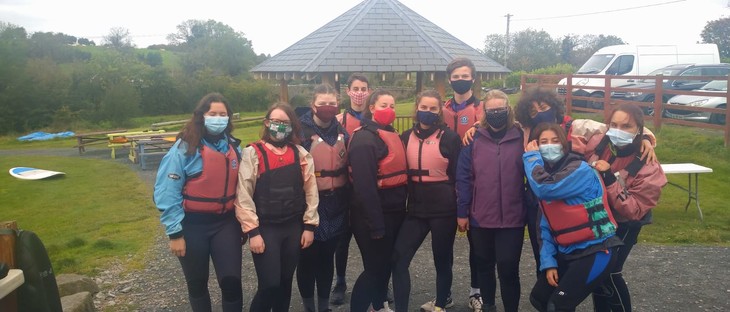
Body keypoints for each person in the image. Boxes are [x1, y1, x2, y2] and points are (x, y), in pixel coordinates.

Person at [153, 92, 243, 312]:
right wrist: (175, 233)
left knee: (231, 282)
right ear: (202, 116)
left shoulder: (234, 148)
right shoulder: (185, 148)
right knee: (197, 283)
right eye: (213, 113)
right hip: (192, 225)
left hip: (226, 224)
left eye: (223, 114)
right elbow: (167, 191)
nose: (218, 118)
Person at [524, 123, 623, 312]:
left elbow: (545, 188)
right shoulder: (548, 176)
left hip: (597, 250)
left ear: (564, 144)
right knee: (540, 299)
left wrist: (531, 158)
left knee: (559, 305)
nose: (549, 145)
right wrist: (549, 263)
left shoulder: (580, 170)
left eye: (555, 141)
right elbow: (545, 228)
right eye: (543, 142)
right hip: (569, 252)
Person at [235, 102, 320, 312]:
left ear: (292, 125)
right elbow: (243, 195)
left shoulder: (300, 154)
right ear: (267, 123)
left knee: (284, 284)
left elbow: (311, 190)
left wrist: (309, 226)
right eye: (275, 122)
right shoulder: (253, 153)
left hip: (293, 227)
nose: (280, 127)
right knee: (269, 285)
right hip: (266, 228)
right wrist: (252, 231)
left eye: (285, 122)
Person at [585, 104, 667, 312]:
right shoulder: (602, 145)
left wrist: (608, 177)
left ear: (638, 130)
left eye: (626, 126)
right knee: (597, 273)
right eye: (614, 125)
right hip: (600, 219)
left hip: (625, 224)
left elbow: (633, 210)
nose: (618, 131)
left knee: (611, 273)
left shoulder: (648, 165)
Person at [391, 90, 461, 312]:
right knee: (398, 259)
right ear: (417, 109)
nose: (427, 112)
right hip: (416, 210)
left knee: (442, 259)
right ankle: (401, 307)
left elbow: (460, 175)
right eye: (424, 108)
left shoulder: (450, 138)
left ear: (439, 111)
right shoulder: (405, 138)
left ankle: (440, 304)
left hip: (444, 210)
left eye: (433, 109)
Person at [456, 90, 525, 312]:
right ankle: (488, 306)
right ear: (484, 112)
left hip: (512, 218)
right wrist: (462, 211)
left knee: (508, 268)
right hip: (480, 216)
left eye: (501, 109)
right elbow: (464, 177)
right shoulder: (473, 139)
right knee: (484, 266)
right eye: (492, 110)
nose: (496, 113)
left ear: (508, 110)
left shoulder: (520, 136)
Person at [348, 89, 407, 312]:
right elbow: (364, 188)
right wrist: (376, 224)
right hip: (372, 217)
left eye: (392, 106)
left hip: (394, 212)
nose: (389, 110)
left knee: (385, 266)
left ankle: (378, 306)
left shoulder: (391, 134)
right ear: (372, 108)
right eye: (384, 105)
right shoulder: (364, 139)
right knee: (374, 268)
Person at [296, 84, 350, 312]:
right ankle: (309, 307)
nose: (327, 108)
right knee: (307, 259)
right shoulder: (299, 133)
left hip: (336, 203)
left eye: (332, 103)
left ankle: (324, 305)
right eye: (322, 103)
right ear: (313, 106)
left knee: (327, 257)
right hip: (307, 204)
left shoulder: (342, 132)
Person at [437, 57, 485, 312]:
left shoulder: (483, 109)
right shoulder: (441, 109)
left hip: (474, 182)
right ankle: (443, 294)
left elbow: (499, 125)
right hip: (445, 183)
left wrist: (478, 125)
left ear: (473, 78)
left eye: (464, 76)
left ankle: (475, 292)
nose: (460, 80)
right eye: (455, 77)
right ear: (450, 79)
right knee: (443, 243)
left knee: (476, 243)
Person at [331, 73, 371, 305]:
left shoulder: (377, 118)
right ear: (348, 91)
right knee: (341, 239)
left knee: (372, 237)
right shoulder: (338, 120)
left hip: (367, 187)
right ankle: (340, 281)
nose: (359, 92)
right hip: (343, 187)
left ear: (369, 91)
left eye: (363, 88)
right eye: (355, 88)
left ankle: (377, 279)